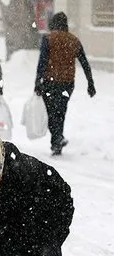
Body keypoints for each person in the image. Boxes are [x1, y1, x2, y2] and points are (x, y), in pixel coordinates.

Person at [34, 12, 96, 156]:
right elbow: (84, 63)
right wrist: (90, 82)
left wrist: (38, 81)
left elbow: (42, 62)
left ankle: (56, 139)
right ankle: (58, 140)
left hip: (50, 83)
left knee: (51, 113)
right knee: (60, 112)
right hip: (67, 83)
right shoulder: (73, 40)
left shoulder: (48, 39)